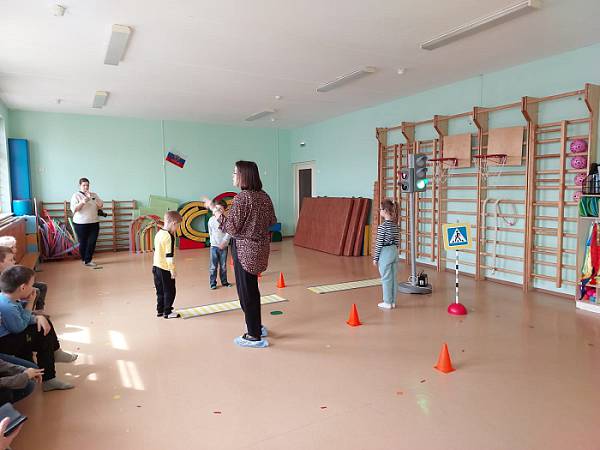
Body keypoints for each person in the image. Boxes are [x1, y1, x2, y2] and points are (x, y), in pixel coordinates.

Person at [204, 161, 276, 348]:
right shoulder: (264, 196)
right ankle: (256, 326)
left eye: (235, 172)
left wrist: (215, 211)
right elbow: (272, 221)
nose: (233, 175)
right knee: (252, 289)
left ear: (244, 175)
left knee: (246, 292)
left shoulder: (242, 198)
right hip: (260, 248)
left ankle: (253, 335)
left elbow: (231, 228)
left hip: (245, 250)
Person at [0, 266, 76, 391]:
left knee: (43, 322)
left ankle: (55, 353)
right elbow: (19, 328)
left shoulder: (7, 298)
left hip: (11, 335)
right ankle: (49, 376)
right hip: (6, 342)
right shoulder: (8, 306)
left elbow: (22, 317)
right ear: (23, 288)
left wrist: (37, 318)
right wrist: (30, 304)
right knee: (42, 333)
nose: (33, 288)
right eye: (31, 285)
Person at [0, 240, 47, 311]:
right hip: (11, 297)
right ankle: (29, 312)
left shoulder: (9, 270)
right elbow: (7, 293)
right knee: (35, 291)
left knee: (41, 287)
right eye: (11, 260)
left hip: (16, 289)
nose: (14, 262)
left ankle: (38, 310)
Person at [153, 211, 183, 319]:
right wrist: (172, 270)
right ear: (174, 223)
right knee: (170, 290)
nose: (177, 228)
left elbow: (155, 250)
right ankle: (168, 312)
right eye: (178, 226)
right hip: (165, 268)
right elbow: (169, 256)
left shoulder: (159, 233)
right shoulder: (169, 236)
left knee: (160, 290)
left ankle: (160, 310)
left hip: (156, 267)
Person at [70, 177, 103, 268]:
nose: (86, 187)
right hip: (80, 223)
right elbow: (74, 209)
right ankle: (85, 259)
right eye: (84, 185)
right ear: (79, 186)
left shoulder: (94, 195)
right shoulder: (76, 195)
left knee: (92, 241)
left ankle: (88, 260)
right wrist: (83, 202)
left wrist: (93, 198)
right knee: (83, 242)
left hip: (94, 222)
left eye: (87, 185)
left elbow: (100, 205)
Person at [373, 199, 399, 310]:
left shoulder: (382, 227)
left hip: (385, 252)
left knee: (386, 278)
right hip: (394, 251)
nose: (379, 211)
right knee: (393, 278)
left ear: (385, 211)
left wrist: (375, 258)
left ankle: (387, 302)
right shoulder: (395, 226)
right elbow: (397, 241)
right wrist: (394, 250)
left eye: (380, 209)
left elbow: (379, 243)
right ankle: (393, 301)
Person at [207, 200, 231, 290]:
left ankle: (224, 282)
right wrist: (212, 242)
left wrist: (224, 242)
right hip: (214, 246)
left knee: (223, 266)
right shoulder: (211, 220)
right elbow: (210, 232)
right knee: (213, 266)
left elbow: (229, 233)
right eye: (216, 208)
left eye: (220, 209)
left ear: (224, 210)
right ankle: (213, 283)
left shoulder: (226, 220)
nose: (218, 210)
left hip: (224, 247)